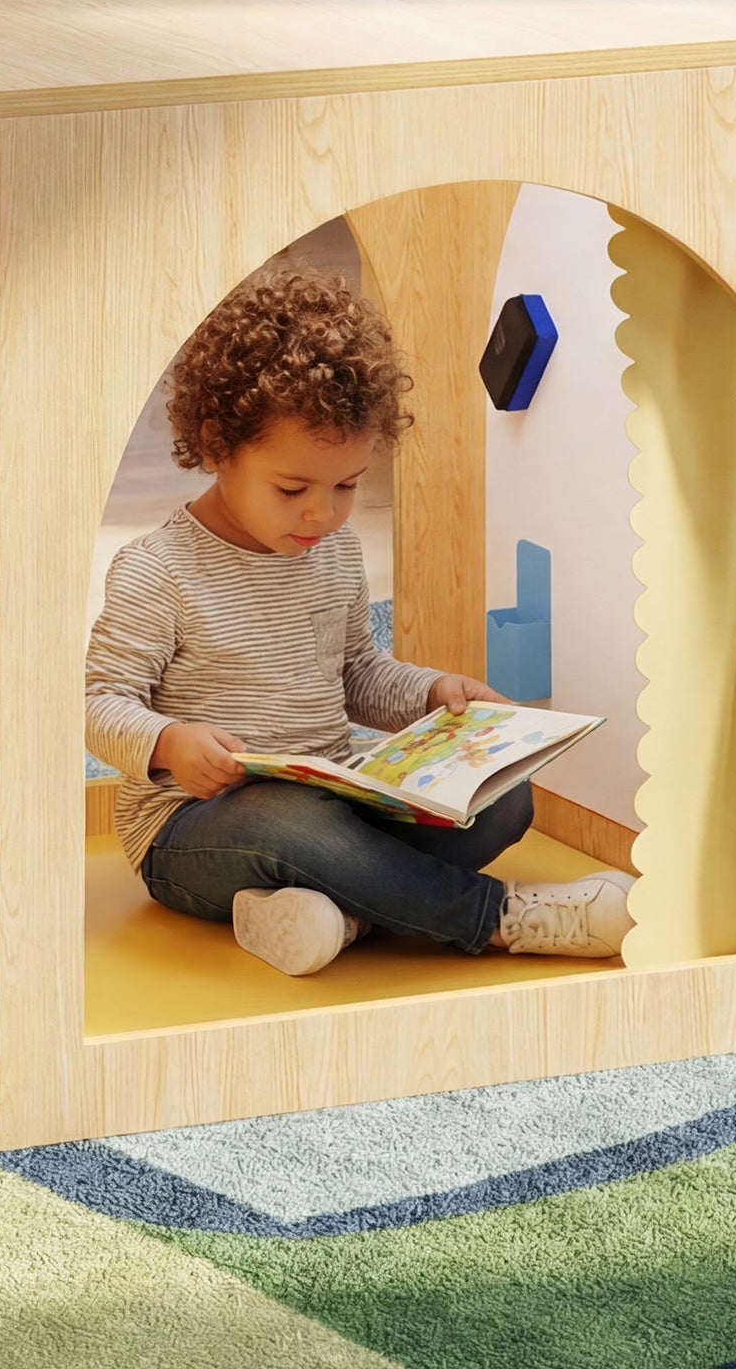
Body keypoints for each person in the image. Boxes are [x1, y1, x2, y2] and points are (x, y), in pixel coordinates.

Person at [84, 266, 632, 976]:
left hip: (337, 793)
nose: (323, 513)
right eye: (292, 488)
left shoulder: (332, 551)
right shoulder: (157, 570)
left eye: (347, 486)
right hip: (197, 830)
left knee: (502, 802)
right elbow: (99, 704)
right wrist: (167, 742)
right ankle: (498, 917)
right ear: (218, 445)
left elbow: (356, 672)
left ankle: (336, 917)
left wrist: (434, 695)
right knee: (295, 823)